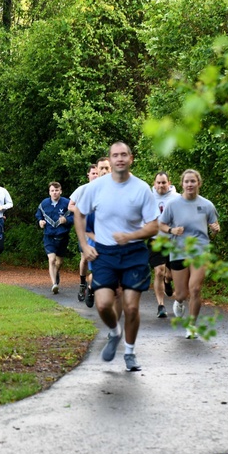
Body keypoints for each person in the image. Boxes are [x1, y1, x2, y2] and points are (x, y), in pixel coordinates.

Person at [74, 141, 159, 372]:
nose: (119, 159)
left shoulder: (141, 188)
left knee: (131, 308)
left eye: (124, 155)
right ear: (109, 160)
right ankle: (114, 332)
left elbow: (153, 226)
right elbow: (79, 214)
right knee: (102, 305)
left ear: (131, 159)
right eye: (115, 155)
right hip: (105, 252)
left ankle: (130, 353)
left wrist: (132, 235)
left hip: (133, 253)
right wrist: (84, 244)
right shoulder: (96, 187)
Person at [158, 169, 220, 339]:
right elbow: (161, 225)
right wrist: (172, 230)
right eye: (187, 181)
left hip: (200, 250)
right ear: (182, 184)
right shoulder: (173, 204)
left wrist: (215, 230)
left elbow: (214, 227)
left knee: (196, 289)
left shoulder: (207, 205)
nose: (190, 184)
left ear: (198, 183)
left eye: (193, 181)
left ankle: (192, 326)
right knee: (182, 293)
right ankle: (178, 301)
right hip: (178, 250)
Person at [150, 171, 181, 318]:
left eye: (164, 182)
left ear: (169, 183)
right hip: (155, 240)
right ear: (154, 184)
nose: (161, 185)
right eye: (158, 183)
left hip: (174, 241)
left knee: (171, 274)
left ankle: (167, 282)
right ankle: (161, 306)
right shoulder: (148, 198)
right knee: (159, 271)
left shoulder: (177, 198)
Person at [68, 164, 99, 304]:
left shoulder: (105, 189)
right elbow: (70, 206)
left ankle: (93, 288)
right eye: (93, 173)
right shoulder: (82, 189)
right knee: (85, 258)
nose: (95, 175)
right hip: (86, 229)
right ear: (88, 175)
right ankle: (82, 283)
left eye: (97, 173)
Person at [36, 182, 72, 294]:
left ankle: (56, 275)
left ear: (60, 191)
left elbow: (75, 217)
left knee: (59, 262)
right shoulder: (44, 203)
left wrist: (66, 220)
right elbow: (39, 215)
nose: (54, 192)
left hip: (62, 237)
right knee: (51, 259)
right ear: (49, 192)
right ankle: (54, 284)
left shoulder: (67, 203)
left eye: (56, 190)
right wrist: (40, 221)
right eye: (52, 191)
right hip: (49, 236)